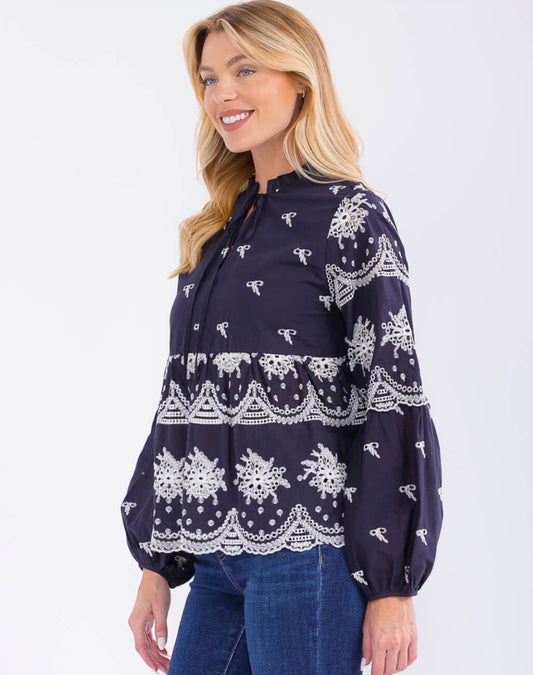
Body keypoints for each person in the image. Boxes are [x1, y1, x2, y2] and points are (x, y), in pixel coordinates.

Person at [120, 1, 444, 673]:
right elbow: (183, 400)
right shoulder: (217, 229)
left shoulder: (351, 218)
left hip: (308, 554)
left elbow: (390, 392)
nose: (222, 94)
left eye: (245, 70)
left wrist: (391, 584)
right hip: (214, 557)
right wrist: (157, 562)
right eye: (209, 78)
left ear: (300, 79)